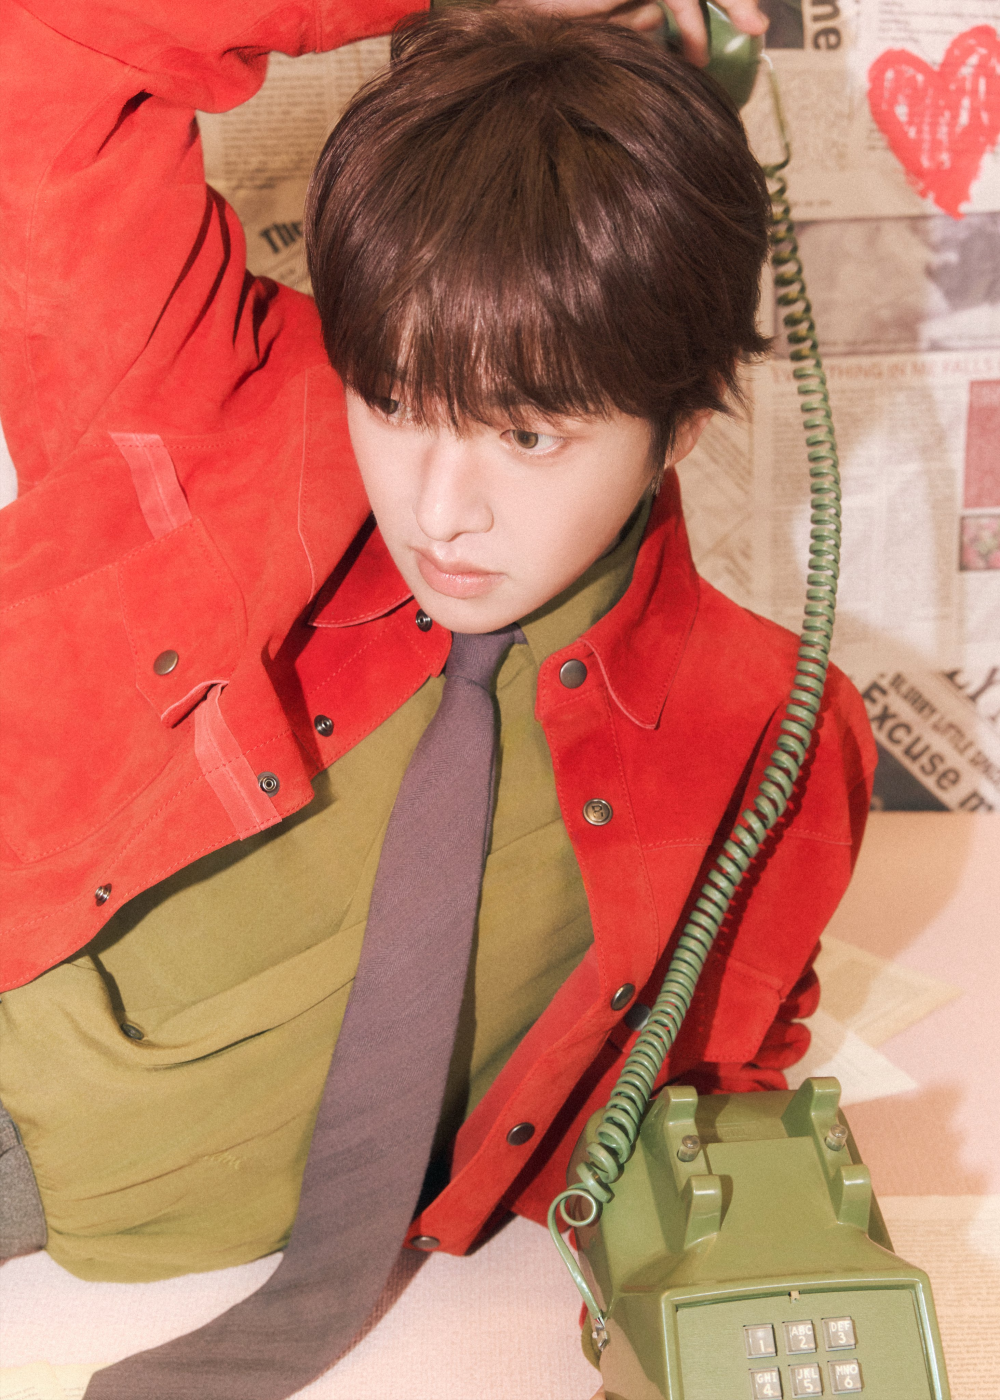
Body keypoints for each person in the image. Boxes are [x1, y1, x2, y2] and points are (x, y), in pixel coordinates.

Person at [0, 0, 873, 1386]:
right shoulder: (218, 404)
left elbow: (702, 1088)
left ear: (681, 423)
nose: (441, 510)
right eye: (396, 402)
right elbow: (53, 47)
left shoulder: (772, 732)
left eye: (528, 434)